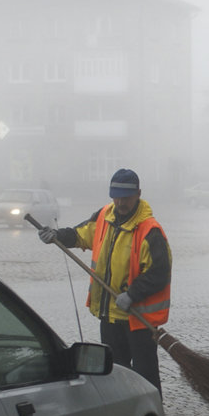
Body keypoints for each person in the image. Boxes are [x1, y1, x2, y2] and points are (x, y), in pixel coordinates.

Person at [38, 168, 172, 394]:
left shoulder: (150, 231)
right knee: (115, 374)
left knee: (145, 376)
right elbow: (81, 234)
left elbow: (159, 273)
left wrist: (133, 294)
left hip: (138, 321)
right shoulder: (104, 217)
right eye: (116, 196)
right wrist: (56, 236)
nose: (120, 202)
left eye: (126, 198)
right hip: (109, 315)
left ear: (138, 194)